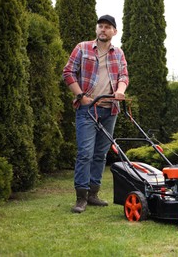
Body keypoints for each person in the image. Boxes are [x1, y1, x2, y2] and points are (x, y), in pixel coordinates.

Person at [62, 15, 129, 213]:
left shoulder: (118, 53)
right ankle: (81, 197)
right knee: (85, 153)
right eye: (100, 26)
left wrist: (121, 91)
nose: (103, 30)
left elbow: (123, 76)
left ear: (114, 32)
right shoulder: (82, 48)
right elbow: (68, 72)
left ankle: (93, 194)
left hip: (110, 109)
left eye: (108, 27)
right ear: (96, 29)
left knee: (100, 154)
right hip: (87, 109)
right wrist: (80, 95)